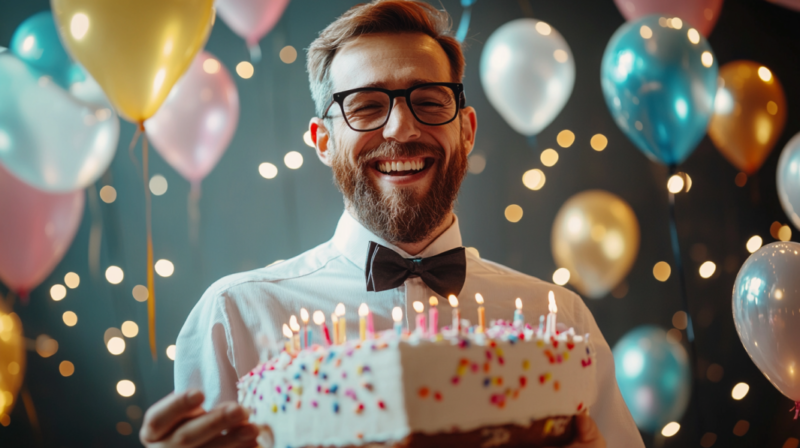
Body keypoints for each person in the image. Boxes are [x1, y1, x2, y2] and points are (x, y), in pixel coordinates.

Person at [140, 1, 645, 447]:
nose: (401, 129)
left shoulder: (560, 321)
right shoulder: (236, 318)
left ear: (466, 131)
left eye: (428, 101)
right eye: (365, 106)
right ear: (322, 140)